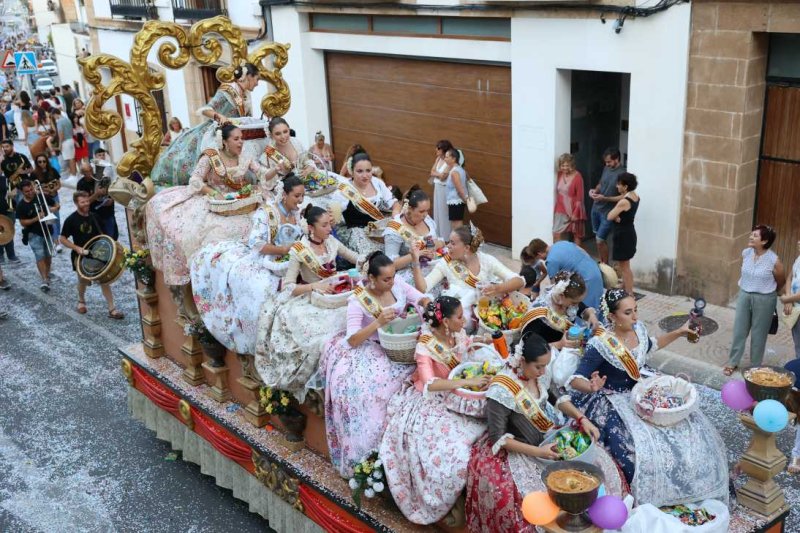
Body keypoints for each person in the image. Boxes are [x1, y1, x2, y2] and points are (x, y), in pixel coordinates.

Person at [569, 289, 729, 505]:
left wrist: (680, 332)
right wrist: (591, 386)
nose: (635, 317)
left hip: (643, 390)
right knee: (636, 450)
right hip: (615, 400)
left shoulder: (639, 330)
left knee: (688, 430)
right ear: (612, 316)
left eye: (636, 310)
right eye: (628, 313)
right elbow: (575, 378)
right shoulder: (600, 345)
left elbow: (652, 345)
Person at [465, 332, 625, 532]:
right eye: (538, 367)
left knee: (598, 463)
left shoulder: (541, 375)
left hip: (547, 437)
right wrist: (540, 453)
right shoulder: (501, 390)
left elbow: (558, 399)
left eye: (545, 366)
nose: (542, 372)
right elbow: (498, 439)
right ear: (522, 361)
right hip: (521, 450)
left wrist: (581, 419)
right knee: (540, 495)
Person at [379, 296, 489, 525]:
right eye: (460, 317)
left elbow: (464, 348)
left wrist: (480, 340)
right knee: (453, 452)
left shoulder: (456, 332)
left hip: (456, 390)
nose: (465, 319)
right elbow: (429, 384)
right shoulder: (425, 345)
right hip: (430, 400)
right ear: (446, 321)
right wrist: (465, 383)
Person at [321, 251, 428, 478]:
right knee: (370, 395)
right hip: (370, 347)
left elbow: (417, 296)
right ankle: (369, 456)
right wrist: (378, 323)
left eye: (393, 276)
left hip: (400, 343)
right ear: (371, 278)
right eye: (386, 279)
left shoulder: (396, 284)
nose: (392, 282)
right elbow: (352, 340)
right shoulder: (358, 301)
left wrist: (429, 304)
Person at [255, 205, 362, 403]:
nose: (330, 228)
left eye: (329, 224)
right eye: (324, 225)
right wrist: (314, 286)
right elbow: (288, 286)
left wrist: (371, 262)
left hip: (335, 295)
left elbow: (353, 257)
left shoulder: (330, 241)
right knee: (318, 338)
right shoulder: (300, 250)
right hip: (310, 298)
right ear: (311, 228)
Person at [145, 123, 274, 287]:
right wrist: (213, 192)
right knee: (196, 234)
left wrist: (276, 169)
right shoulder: (210, 157)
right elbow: (195, 180)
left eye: (241, 138)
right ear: (224, 142)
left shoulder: (244, 157)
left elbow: (263, 174)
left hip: (240, 202)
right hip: (215, 201)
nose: (241, 142)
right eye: (236, 139)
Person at [191, 175, 306, 355]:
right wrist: (283, 250)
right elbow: (256, 244)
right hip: (263, 260)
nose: (300, 200)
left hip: (288, 261)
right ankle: (255, 340)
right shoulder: (266, 213)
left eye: (302, 196)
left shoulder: (297, 214)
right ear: (284, 194)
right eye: (297, 196)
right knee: (262, 290)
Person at [150, 62, 262, 187]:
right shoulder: (228, 91)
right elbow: (207, 109)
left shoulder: (244, 96)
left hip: (234, 135)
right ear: (248, 76)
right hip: (217, 134)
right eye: (257, 79)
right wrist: (219, 116)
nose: (258, 83)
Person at [413, 225, 524, 331]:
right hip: (459, 321)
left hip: (486, 316)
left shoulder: (486, 260)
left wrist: (497, 288)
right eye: (448, 242)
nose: (448, 246)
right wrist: (415, 261)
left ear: (466, 247)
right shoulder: (446, 263)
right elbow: (423, 288)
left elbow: (519, 281)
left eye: (452, 243)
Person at [723, 225, 785, 376]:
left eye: (755, 236)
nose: (751, 237)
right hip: (744, 294)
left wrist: (769, 293)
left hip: (765, 299)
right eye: (751, 234)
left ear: (764, 241)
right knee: (739, 331)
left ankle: (755, 367)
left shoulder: (774, 260)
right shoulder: (745, 253)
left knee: (759, 334)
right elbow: (745, 273)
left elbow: (781, 280)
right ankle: (733, 362)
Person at [58, 190, 124, 319]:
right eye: (83, 202)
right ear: (76, 203)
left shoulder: (95, 216)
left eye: (87, 201)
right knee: (83, 281)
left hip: (98, 253)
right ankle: (81, 300)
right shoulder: (71, 219)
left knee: (105, 281)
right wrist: (76, 248)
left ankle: (112, 309)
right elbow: (63, 238)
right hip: (81, 256)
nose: (86, 203)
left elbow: (104, 236)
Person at [332, 152, 400, 256]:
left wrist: (396, 214)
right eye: (359, 171)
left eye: (368, 171)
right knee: (374, 256)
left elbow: (394, 203)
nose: (365, 175)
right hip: (355, 232)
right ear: (352, 172)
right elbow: (334, 219)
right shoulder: (344, 190)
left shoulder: (377, 183)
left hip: (378, 230)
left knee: (399, 246)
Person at [382, 185, 443, 289]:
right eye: (421, 211)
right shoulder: (394, 229)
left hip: (433, 263)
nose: (425, 214)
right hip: (409, 271)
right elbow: (391, 265)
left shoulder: (427, 219)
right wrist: (415, 255)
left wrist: (433, 245)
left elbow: (436, 241)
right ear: (410, 209)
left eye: (427, 210)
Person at [524, 238, 605, 310]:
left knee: (587, 310)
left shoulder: (551, 261)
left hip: (587, 280)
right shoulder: (561, 243)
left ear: (539, 254)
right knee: (599, 304)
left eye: (538, 258)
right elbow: (583, 251)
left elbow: (556, 288)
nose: (540, 260)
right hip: (595, 269)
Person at [15, 179, 59, 292]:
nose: (30, 192)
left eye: (31, 189)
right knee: (40, 256)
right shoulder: (21, 205)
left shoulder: (41, 197)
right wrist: (36, 218)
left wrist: (53, 209)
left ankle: (47, 273)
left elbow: (56, 205)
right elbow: (23, 223)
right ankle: (44, 279)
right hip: (33, 234)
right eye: (27, 191)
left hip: (47, 229)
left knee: (48, 255)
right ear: (22, 192)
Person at [589, 147, 625, 264]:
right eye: (606, 162)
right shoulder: (606, 168)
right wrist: (595, 190)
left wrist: (605, 198)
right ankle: (603, 263)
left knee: (600, 239)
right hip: (596, 208)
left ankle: (606, 265)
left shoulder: (622, 174)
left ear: (617, 159)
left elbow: (624, 196)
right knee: (597, 238)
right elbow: (601, 183)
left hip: (608, 212)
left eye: (609, 162)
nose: (607, 164)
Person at [607, 172, 640, 295]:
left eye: (619, 184)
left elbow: (610, 216)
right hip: (629, 231)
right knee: (626, 264)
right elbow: (627, 214)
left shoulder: (623, 202)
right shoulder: (635, 196)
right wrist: (619, 217)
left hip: (623, 235)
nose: (617, 186)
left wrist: (616, 217)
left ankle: (629, 292)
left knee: (625, 267)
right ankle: (624, 285)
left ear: (625, 187)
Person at [76, 160, 118, 240]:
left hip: (108, 213)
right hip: (94, 216)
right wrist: (96, 194)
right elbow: (84, 202)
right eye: (87, 171)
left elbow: (112, 192)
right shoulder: (81, 184)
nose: (90, 173)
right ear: (83, 173)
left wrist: (111, 200)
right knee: (99, 239)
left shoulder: (102, 178)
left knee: (112, 237)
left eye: (91, 170)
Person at [552, 153, 587, 248]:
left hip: (574, 209)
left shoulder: (578, 176)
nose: (564, 168)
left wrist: (575, 213)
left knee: (577, 235)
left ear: (572, 165)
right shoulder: (559, 174)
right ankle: (559, 255)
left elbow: (580, 197)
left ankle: (576, 256)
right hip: (561, 208)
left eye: (567, 165)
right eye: (562, 165)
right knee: (556, 233)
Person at [32, 154, 63, 251]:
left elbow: (59, 184)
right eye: (39, 162)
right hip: (44, 198)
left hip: (54, 196)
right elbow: (34, 188)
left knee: (57, 218)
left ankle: (57, 236)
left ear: (47, 162)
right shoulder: (34, 174)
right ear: (37, 163)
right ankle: (56, 241)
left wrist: (52, 189)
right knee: (51, 219)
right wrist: (42, 190)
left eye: (44, 161)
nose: (42, 164)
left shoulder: (52, 171)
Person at [429, 139, 453, 241]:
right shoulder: (438, 159)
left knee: (444, 212)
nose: (436, 150)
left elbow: (444, 177)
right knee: (437, 210)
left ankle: (446, 237)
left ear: (444, 149)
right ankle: (438, 235)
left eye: (438, 148)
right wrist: (439, 175)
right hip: (437, 187)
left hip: (444, 189)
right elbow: (432, 172)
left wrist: (438, 175)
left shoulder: (449, 161)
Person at [781, 238, 800, 360]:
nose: (798, 241)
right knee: (797, 342)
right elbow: (789, 278)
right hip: (795, 308)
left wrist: (787, 299)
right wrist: (789, 299)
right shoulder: (798, 259)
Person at [1, 138, 33, 206]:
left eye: (7, 146)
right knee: (19, 205)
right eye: (3, 147)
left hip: (25, 185)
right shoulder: (2, 160)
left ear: (12, 146)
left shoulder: (21, 156)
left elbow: (31, 169)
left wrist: (23, 172)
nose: (5, 149)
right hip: (12, 187)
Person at [444, 148, 468, 230]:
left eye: (447, 157)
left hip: (456, 201)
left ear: (453, 158)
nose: (445, 159)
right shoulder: (460, 169)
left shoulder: (454, 172)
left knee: (456, 225)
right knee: (456, 224)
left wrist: (466, 200)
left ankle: (459, 241)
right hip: (457, 201)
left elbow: (460, 189)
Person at [0, 167, 20, 264]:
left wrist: (12, 193)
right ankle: (0, 255)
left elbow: (15, 189)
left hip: (9, 210)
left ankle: (11, 254)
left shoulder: (6, 179)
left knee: (9, 231)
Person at [52, 108, 76, 180]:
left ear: (55, 114)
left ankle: (73, 175)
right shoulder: (67, 119)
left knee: (70, 159)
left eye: (53, 116)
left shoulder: (59, 122)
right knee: (72, 158)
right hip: (71, 140)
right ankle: (73, 173)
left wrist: (60, 145)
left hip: (65, 142)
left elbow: (61, 134)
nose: (54, 118)